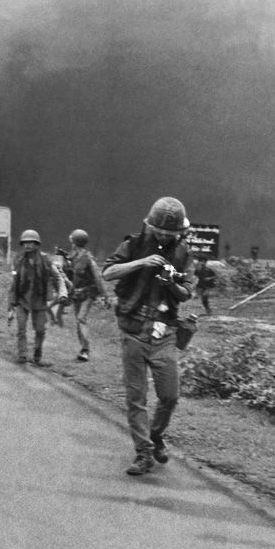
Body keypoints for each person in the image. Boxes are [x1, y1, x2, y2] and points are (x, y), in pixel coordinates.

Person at [102, 196, 195, 476]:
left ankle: (155, 435)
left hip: (164, 332)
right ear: (150, 225)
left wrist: (171, 284)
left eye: (171, 233)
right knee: (136, 396)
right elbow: (108, 272)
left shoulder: (183, 253)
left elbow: (188, 290)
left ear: (179, 232)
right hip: (133, 330)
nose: (165, 236)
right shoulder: (132, 244)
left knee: (170, 396)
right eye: (160, 231)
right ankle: (143, 453)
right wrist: (141, 263)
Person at [8, 229, 68, 366]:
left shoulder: (46, 260)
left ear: (37, 244)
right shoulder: (18, 260)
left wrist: (62, 293)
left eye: (31, 243)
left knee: (40, 329)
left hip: (39, 300)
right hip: (22, 299)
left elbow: (58, 278)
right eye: (25, 243)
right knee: (21, 329)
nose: (28, 245)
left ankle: (37, 355)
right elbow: (13, 283)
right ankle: (22, 355)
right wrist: (10, 304)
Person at [64, 229, 111, 361]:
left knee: (81, 319)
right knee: (79, 321)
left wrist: (104, 296)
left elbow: (97, 277)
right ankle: (83, 348)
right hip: (77, 294)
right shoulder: (72, 257)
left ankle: (86, 350)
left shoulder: (88, 258)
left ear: (75, 242)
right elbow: (69, 276)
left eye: (72, 241)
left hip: (89, 293)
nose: (71, 244)